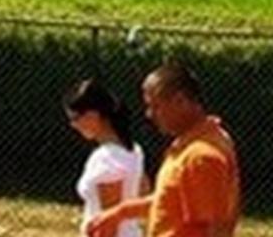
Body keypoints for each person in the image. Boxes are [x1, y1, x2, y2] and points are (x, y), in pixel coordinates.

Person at [86, 60, 239, 237]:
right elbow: (168, 201)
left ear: (180, 101)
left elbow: (213, 228)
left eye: (155, 106)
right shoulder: (191, 145)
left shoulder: (201, 157)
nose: (149, 114)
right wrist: (120, 213)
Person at [64, 78, 149, 237]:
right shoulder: (134, 150)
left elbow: (108, 224)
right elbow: (144, 192)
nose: (73, 125)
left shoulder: (106, 159)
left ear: (92, 115)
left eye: (75, 118)